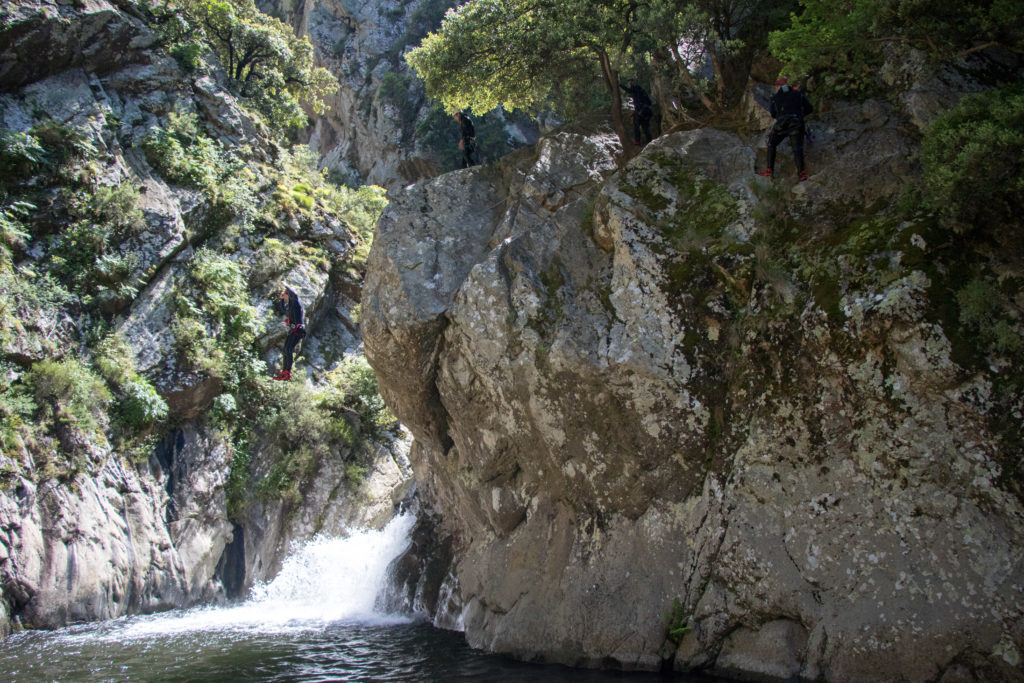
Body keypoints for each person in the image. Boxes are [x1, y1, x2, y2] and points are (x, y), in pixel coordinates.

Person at [759, 77, 814, 181]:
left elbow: (773, 113)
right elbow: (809, 108)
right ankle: (801, 173)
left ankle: (769, 170)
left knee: (771, 143)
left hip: (782, 126)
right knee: (797, 148)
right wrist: (800, 115)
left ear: (778, 86)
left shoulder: (775, 97)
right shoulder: (798, 94)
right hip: (796, 124)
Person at [272, 285, 304, 381]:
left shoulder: (296, 303)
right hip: (293, 330)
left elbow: (294, 294)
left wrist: (285, 284)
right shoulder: (290, 306)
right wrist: (282, 299)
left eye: (285, 294)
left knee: (288, 349)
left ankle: (287, 372)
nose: (284, 295)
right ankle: (285, 372)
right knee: (286, 349)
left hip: (298, 330)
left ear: (288, 295)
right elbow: (282, 310)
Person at [620, 79, 654, 146]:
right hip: (645, 112)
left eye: (629, 84)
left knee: (638, 128)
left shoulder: (636, 90)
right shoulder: (640, 90)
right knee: (645, 128)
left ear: (632, 85)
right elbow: (649, 102)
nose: (628, 86)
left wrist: (620, 85)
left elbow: (629, 90)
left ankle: (638, 143)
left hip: (642, 112)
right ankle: (649, 142)